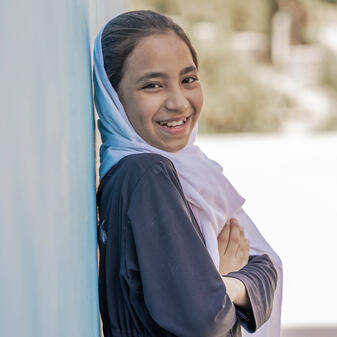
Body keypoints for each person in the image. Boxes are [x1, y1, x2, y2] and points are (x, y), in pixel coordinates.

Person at [94, 10, 282, 337]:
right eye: (152, 85)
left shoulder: (184, 173)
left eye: (188, 79)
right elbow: (205, 319)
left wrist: (220, 283)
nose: (179, 102)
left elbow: (264, 265)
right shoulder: (145, 174)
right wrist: (223, 279)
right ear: (114, 97)